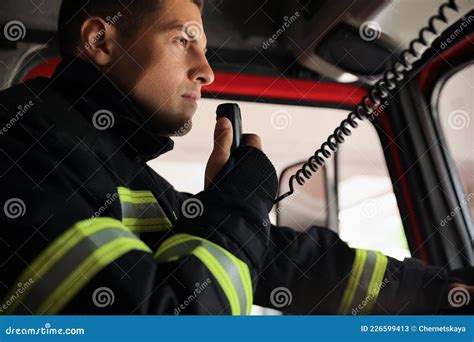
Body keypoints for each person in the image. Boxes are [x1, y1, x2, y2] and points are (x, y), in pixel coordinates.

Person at [0, 0, 472, 315]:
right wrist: (238, 203)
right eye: (183, 41)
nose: (205, 71)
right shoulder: (21, 149)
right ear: (99, 41)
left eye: (203, 47)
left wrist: (444, 295)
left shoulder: (115, 171)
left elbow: (282, 262)